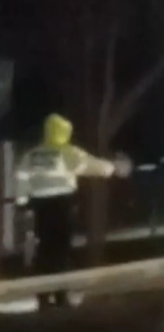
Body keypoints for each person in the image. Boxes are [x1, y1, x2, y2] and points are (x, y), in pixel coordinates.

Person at [15, 113, 131, 310]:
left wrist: (22, 205)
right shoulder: (67, 153)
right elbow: (93, 166)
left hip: (40, 208)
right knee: (61, 251)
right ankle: (60, 296)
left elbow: (21, 178)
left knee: (44, 250)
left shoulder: (31, 155)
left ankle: (43, 296)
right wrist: (115, 168)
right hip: (62, 206)